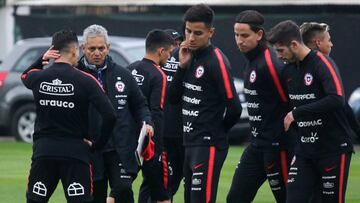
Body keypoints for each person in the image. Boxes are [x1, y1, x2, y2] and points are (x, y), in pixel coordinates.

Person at [33, 24, 154, 203]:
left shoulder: (124, 75)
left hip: (118, 147)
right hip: (90, 148)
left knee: (123, 188)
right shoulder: (74, 74)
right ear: (82, 48)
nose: (97, 53)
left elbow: (140, 104)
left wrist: (147, 121)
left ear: (108, 48)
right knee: (95, 195)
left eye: (101, 48)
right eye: (92, 49)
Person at [22, 29, 116, 203]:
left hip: (44, 151)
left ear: (54, 51)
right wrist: (97, 145)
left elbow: (25, 75)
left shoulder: (39, 76)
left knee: (35, 200)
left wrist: (42, 59)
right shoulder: (86, 80)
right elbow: (110, 115)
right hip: (76, 153)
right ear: (74, 50)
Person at [268, 20, 353, 203]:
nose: (278, 55)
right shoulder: (288, 70)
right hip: (304, 150)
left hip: (332, 149)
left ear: (294, 44)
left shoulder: (321, 62)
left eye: (280, 50)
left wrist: (297, 113)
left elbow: (337, 99)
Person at [168, 4, 242, 203]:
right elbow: (172, 99)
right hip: (189, 142)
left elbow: (235, 108)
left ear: (211, 32)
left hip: (208, 145)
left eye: (197, 33)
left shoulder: (216, 61)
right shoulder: (185, 56)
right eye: (188, 31)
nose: (191, 38)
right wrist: (182, 68)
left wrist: (216, 132)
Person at [226, 10, 292, 203]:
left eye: (244, 35)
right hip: (256, 146)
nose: (239, 40)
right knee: (235, 198)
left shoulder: (271, 63)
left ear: (259, 34)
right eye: (236, 35)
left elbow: (289, 101)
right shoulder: (252, 62)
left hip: (279, 147)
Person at [127, 29, 175, 203]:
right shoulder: (159, 74)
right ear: (161, 51)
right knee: (161, 193)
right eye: (169, 52)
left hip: (127, 140)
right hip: (149, 143)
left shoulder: (129, 69)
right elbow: (156, 111)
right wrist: (158, 148)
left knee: (119, 188)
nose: (170, 57)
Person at [300, 22, 360, 140]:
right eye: (329, 40)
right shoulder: (296, 69)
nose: (331, 44)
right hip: (312, 142)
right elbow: (338, 101)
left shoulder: (322, 66)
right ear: (318, 42)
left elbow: (340, 103)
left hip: (329, 141)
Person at [162, 28, 185, 201]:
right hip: (163, 133)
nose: (176, 48)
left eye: (178, 43)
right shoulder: (155, 68)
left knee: (174, 181)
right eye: (173, 44)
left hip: (182, 132)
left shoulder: (185, 63)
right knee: (162, 184)